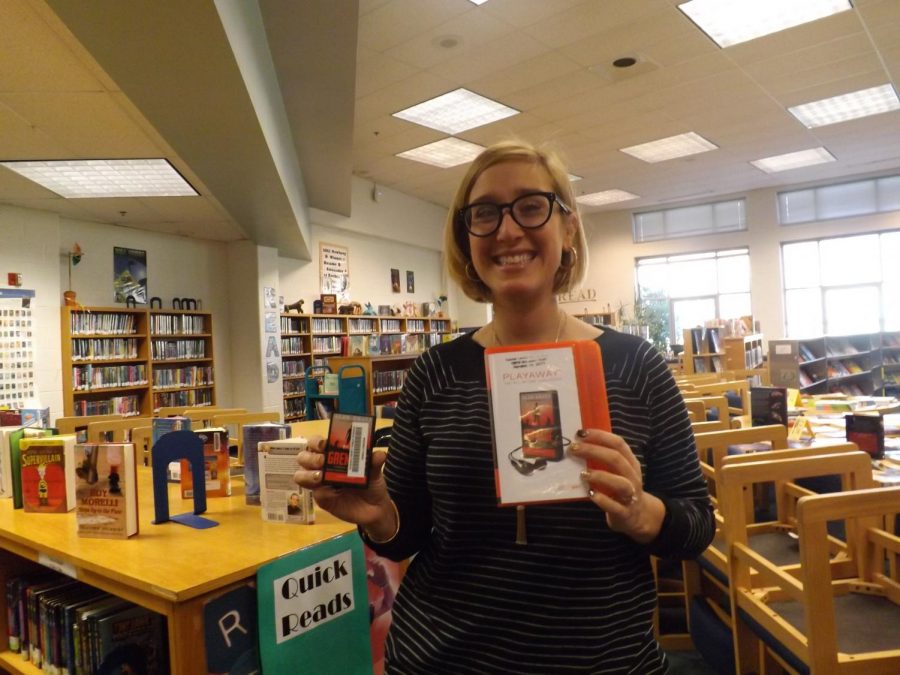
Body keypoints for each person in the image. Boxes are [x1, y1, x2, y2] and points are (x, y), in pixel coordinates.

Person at [294, 140, 715, 673]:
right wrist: (378, 517)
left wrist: (640, 513)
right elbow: (406, 536)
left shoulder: (635, 366)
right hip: (441, 658)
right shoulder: (436, 371)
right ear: (466, 239)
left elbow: (697, 526)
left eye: (531, 206)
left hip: (601, 660)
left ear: (567, 228)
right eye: (486, 214)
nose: (509, 230)